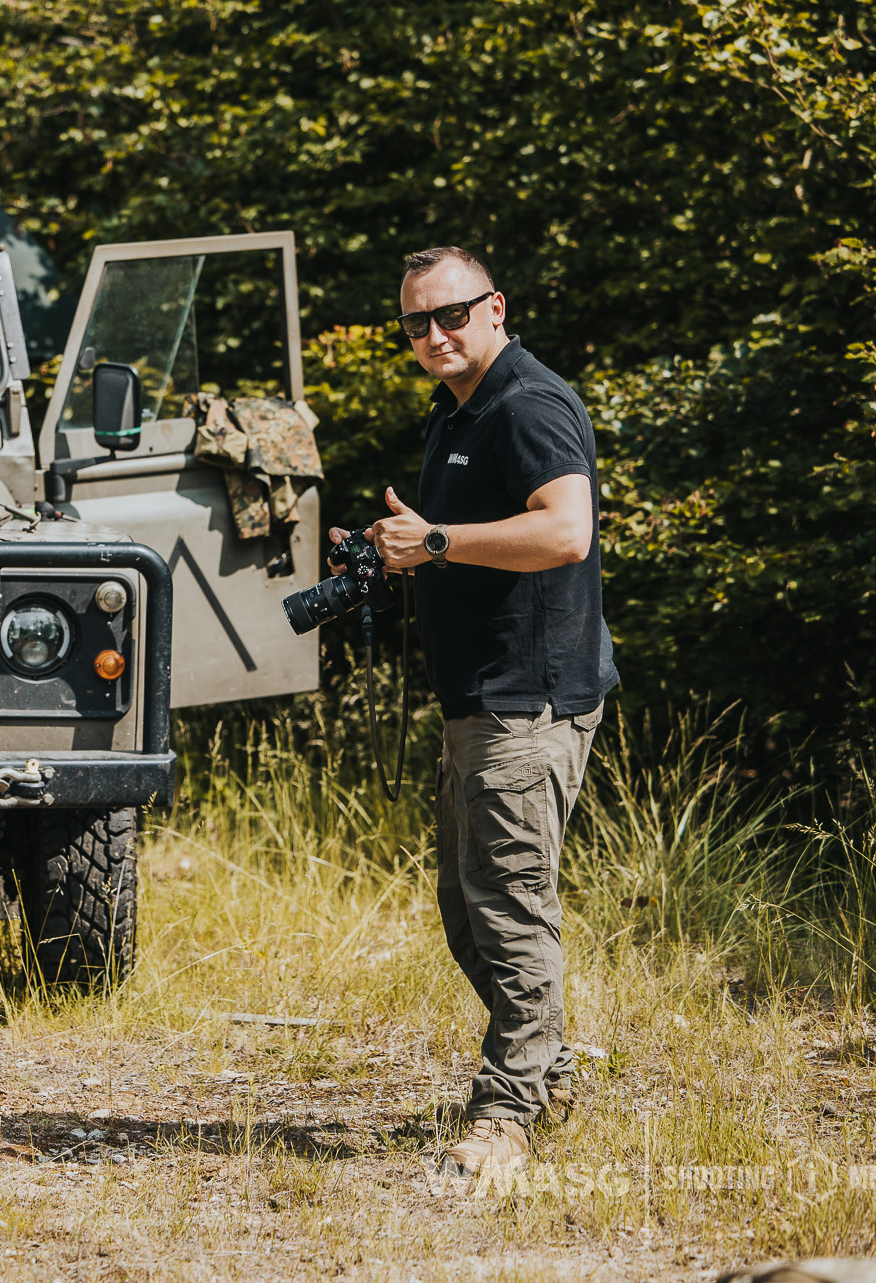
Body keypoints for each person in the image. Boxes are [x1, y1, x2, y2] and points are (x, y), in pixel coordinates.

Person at [340, 246, 619, 1177]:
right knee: (468, 908)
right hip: (478, 702)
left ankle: (505, 1116)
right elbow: (455, 546)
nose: (434, 335)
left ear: (495, 306)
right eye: (416, 323)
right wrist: (396, 550)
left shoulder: (527, 405)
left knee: (508, 909)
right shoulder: (457, 409)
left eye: (451, 314)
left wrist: (441, 539)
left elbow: (566, 529)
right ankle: (552, 1074)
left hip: (527, 701)